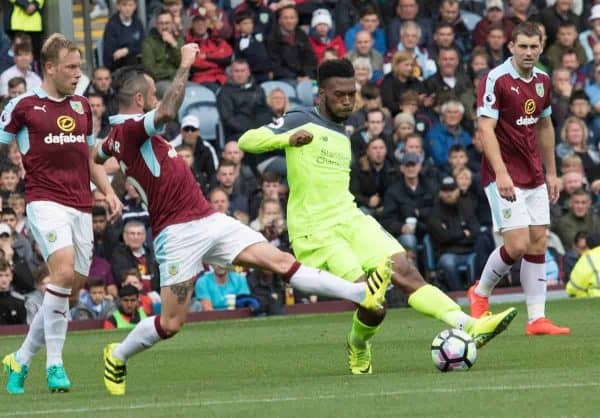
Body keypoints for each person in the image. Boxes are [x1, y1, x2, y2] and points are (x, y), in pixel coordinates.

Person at [97, 44, 390, 395]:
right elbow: (169, 108)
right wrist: (186, 64)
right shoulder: (130, 130)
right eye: (151, 88)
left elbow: (93, 156)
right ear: (142, 99)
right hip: (177, 235)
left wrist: (112, 188)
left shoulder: (114, 137)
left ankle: (361, 293)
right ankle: (117, 354)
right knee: (171, 323)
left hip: (208, 218)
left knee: (280, 262)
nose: (157, 92)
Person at [240, 58, 517, 375]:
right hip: (316, 232)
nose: (346, 100)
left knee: (406, 270)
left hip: (351, 218)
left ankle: (469, 325)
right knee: (372, 304)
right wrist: (285, 139)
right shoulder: (300, 119)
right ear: (321, 95)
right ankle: (358, 346)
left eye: (351, 93)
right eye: (338, 94)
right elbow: (246, 141)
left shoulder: (345, 132)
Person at [1, 33, 122, 395]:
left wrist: (109, 190)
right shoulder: (23, 106)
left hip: (80, 205)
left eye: (79, 67)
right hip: (43, 201)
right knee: (63, 270)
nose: (77, 74)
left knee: (67, 292)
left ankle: (20, 359)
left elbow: (89, 158)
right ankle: (55, 365)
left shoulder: (82, 107)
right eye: (70, 67)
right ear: (49, 68)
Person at [468, 22, 570, 336]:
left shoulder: (542, 79)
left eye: (533, 47)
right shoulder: (495, 79)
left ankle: (537, 319)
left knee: (538, 239)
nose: (528, 52)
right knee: (517, 243)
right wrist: (500, 173)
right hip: (503, 173)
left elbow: (545, 126)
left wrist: (552, 172)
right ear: (511, 46)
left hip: (534, 173)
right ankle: (480, 293)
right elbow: (485, 129)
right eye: (522, 46)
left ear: (541, 47)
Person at [566, 232, 600, 298]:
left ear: (588, 245)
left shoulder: (587, 259)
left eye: (585, 248)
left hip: (596, 301)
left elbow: (572, 288)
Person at [0, 260, 26, 325]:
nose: (4, 279)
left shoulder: (20, 302)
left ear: (11, 277)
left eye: (7, 275)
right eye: (0, 275)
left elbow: (23, 329)